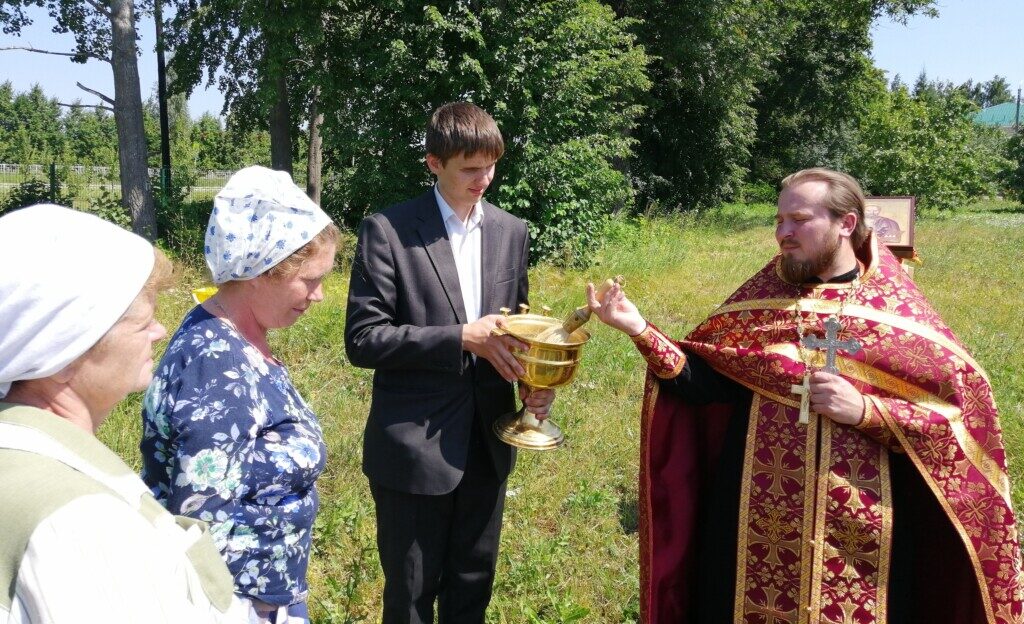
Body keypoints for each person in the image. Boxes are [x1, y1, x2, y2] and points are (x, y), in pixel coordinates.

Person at [587, 168, 1024, 624]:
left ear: (846, 223)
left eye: (799, 220)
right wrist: (639, 329)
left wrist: (866, 410)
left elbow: (954, 422)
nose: (784, 233)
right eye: (779, 221)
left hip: (865, 535)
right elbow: (705, 385)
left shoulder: (898, 315)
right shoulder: (761, 303)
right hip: (751, 524)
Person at [345, 101, 555, 623]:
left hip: (488, 439)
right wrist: (461, 337)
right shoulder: (387, 231)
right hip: (414, 448)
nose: (484, 180)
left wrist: (532, 380)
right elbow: (364, 339)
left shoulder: (511, 231)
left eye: (491, 166)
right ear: (434, 163)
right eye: (470, 169)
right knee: (411, 596)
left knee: (472, 588)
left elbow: (518, 325)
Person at [0, 204, 246, 623]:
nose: (160, 332)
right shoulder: (80, 518)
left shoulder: (23, 459)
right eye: (142, 323)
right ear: (65, 351)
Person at [140, 167, 339, 624]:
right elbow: (200, 521)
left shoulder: (236, 336)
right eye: (310, 280)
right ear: (260, 271)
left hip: (268, 599)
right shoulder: (215, 363)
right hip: (240, 607)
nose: (320, 295)